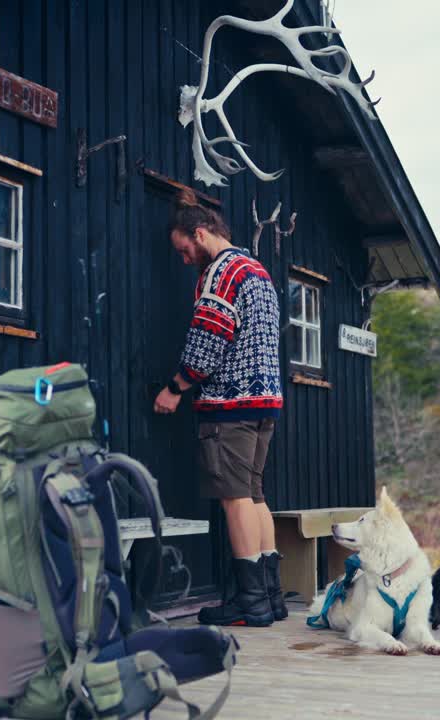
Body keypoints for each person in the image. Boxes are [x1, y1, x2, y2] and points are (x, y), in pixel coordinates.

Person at [153, 188, 286, 627]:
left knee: (234, 500)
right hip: (264, 401)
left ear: (201, 233)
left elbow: (208, 341)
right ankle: (269, 596)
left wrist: (176, 386)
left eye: (183, 247)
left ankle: (250, 603)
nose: (183, 257)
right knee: (254, 496)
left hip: (231, 404)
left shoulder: (221, 274)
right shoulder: (257, 271)